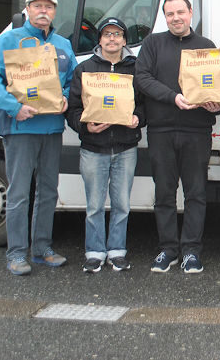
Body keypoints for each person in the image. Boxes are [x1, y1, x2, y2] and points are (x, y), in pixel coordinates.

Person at [0, 0, 77, 275]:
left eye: (49, 6)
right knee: (20, 193)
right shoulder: (9, 41)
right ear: (27, 10)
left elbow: (72, 80)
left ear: (55, 12)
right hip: (20, 127)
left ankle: (42, 248)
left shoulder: (62, 45)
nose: (43, 11)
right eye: (38, 6)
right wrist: (13, 107)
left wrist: (67, 98)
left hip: (51, 128)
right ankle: (16, 253)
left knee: (48, 191)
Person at [135, 0, 220, 274]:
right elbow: (143, 78)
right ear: (165, 17)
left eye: (180, 12)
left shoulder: (205, 47)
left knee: (196, 193)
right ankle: (168, 249)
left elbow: (216, 87)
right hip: (161, 130)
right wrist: (173, 97)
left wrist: (216, 105)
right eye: (170, 14)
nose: (175, 18)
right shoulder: (153, 44)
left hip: (197, 130)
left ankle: (191, 251)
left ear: (190, 13)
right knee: (164, 193)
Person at [67, 17, 145, 273]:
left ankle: (117, 251)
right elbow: (73, 108)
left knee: (122, 204)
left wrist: (138, 119)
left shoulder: (135, 68)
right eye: (107, 34)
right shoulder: (85, 69)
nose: (112, 39)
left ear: (124, 40)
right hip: (93, 147)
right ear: (99, 40)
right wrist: (84, 125)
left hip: (125, 147)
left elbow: (145, 105)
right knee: (94, 205)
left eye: (117, 34)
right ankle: (94, 252)